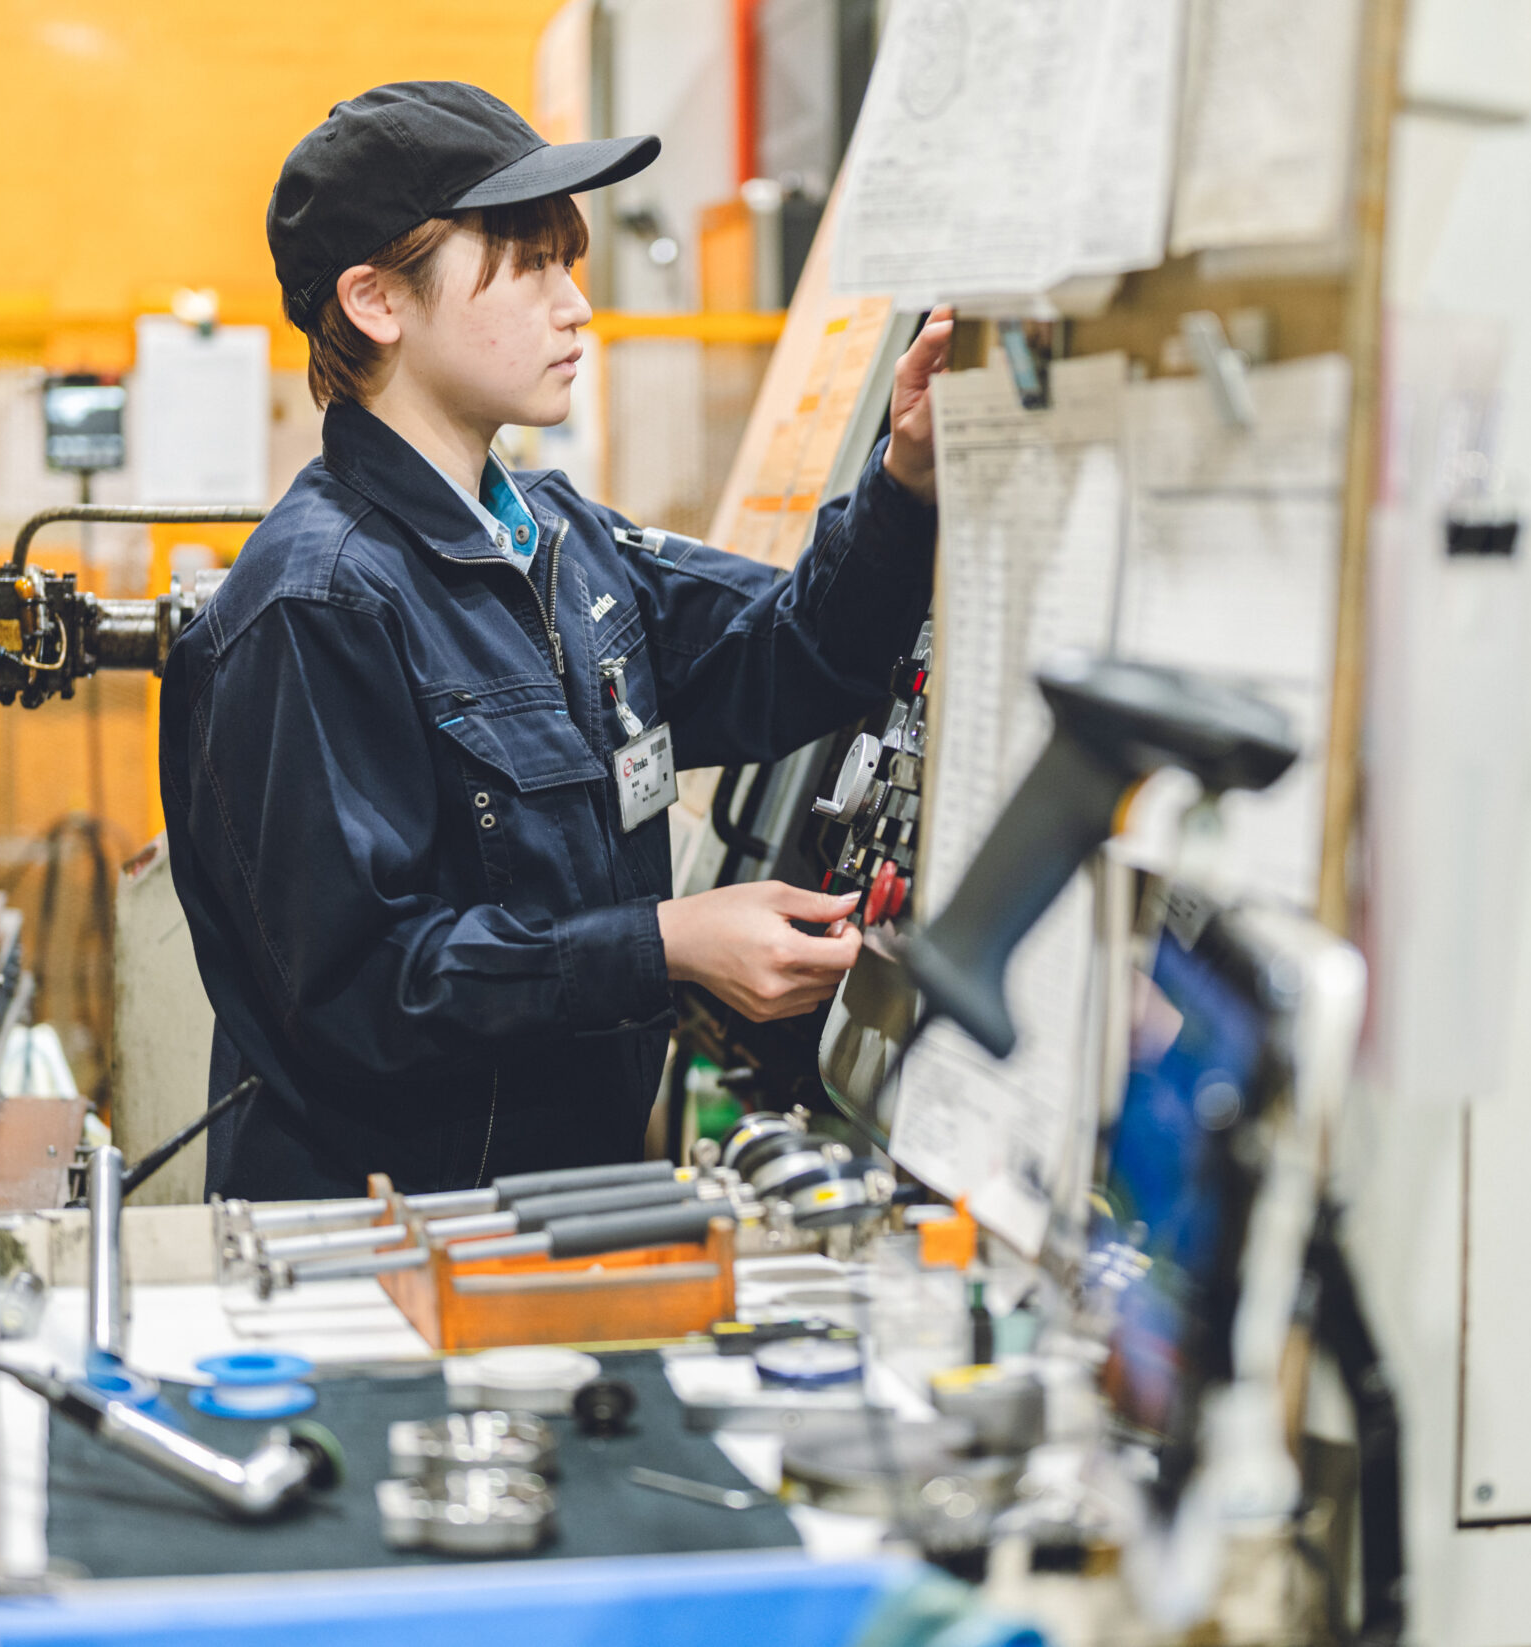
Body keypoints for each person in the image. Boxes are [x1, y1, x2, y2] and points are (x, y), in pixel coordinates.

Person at [159, 82, 950, 1198]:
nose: (575, 306)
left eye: (567, 264)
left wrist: (906, 476)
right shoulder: (317, 602)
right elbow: (364, 987)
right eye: (530, 264)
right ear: (377, 300)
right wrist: (667, 942)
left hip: (555, 1207)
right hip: (381, 1247)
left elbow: (790, 656)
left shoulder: (562, 540)